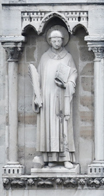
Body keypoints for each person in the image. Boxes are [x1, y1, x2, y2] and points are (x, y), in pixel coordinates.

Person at [32, 29, 78, 167]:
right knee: (49, 126)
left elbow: (73, 74)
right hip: (47, 98)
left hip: (62, 97)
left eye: (59, 40)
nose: (56, 43)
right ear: (50, 41)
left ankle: (65, 158)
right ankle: (50, 158)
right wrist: (37, 96)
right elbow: (38, 78)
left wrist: (67, 84)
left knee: (63, 125)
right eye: (54, 40)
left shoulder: (67, 57)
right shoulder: (45, 58)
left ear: (63, 41)